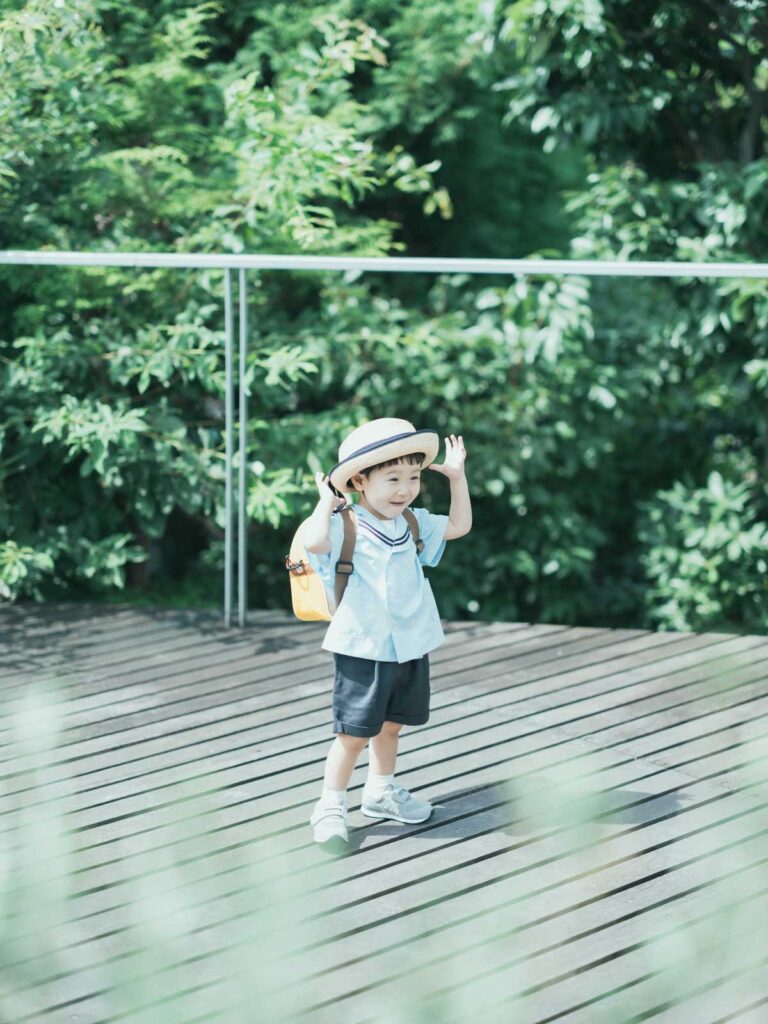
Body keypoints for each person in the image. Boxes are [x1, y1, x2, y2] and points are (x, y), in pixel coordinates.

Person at [302, 417, 472, 850]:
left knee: (392, 727)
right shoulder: (347, 524)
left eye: (413, 477)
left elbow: (458, 527)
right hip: (363, 647)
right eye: (393, 478)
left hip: (409, 644)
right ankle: (330, 805)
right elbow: (316, 544)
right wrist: (326, 502)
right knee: (353, 733)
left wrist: (456, 478)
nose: (405, 489)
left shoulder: (413, 522)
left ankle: (379, 791)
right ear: (359, 481)